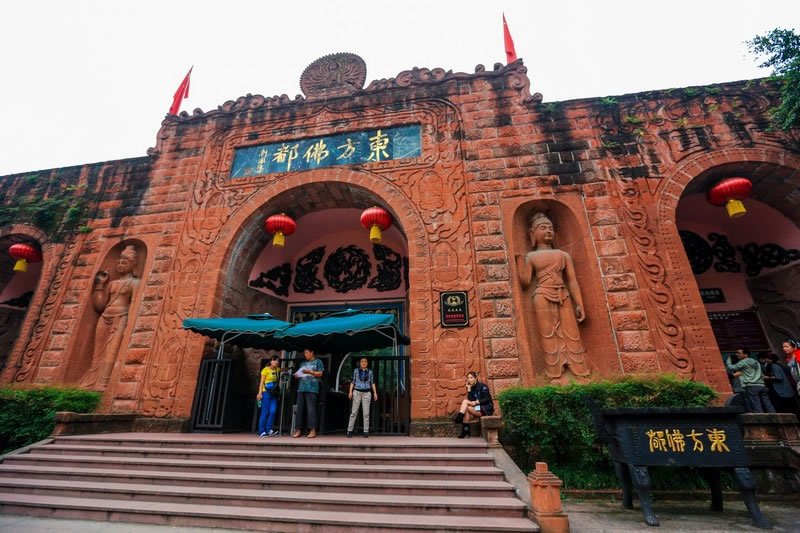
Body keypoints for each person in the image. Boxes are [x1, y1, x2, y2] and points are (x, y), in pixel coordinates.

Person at [80, 245, 141, 390]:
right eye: (118, 262)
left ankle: (103, 383)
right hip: (105, 317)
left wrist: (131, 325)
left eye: (124, 262)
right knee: (97, 353)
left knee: (112, 352)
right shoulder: (112, 283)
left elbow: (134, 304)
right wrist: (100, 285)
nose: (120, 265)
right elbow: (100, 306)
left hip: (121, 318)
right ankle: (92, 381)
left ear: (134, 265)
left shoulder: (135, 283)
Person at [726, 348, 775, 414]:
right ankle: (774, 417)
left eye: (739, 353)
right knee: (767, 404)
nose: (737, 354)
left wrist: (728, 361)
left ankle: (761, 418)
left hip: (752, 386)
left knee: (756, 405)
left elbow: (732, 367)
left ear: (745, 354)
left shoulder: (743, 362)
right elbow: (761, 374)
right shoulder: (756, 362)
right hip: (761, 385)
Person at [452, 372, 494, 439]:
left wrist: (477, 402)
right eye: (468, 378)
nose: (469, 379)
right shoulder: (472, 388)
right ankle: (465, 430)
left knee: (465, 402)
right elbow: (471, 400)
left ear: (476, 378)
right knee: (466, 408)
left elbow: (487, 399)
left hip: (486, 408)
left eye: (471, 378)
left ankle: (460, 421)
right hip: (478, 408)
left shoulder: (482, 386)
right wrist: (469, 389)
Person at [293, 349, 324, 438]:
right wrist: (297, 375)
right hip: (301, 388)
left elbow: (320, 374)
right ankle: (298, 430)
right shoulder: (303, 363)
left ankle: (312, 430)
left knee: (311, 409)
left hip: (312, 388)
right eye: (304, 353)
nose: (305, 354)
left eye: (306, 352)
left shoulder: (318, 361)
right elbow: (300, 373)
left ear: (312, 352)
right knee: (299, 409)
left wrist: (310, 372)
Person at [256, 355, 288, 437]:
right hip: (266, 392)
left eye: (277, 361)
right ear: (270, 361)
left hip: (273, 393)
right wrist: (260, 393)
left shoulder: (277, 369)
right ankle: (261, 431)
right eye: (274, 360)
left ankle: (268, 429)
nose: (276, 362)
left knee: (273, 411)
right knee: (265, 412)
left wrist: (291, 367)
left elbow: (283, 369)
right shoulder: (265, 370)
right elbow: (261, 382)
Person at [347, 357, 378, 438]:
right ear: (360, 363)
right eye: (362, 361)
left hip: (367, 393)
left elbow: (372, 382)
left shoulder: (370, 372)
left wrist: (375, 393)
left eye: (365, 361)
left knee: (366, 413)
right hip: (357, 392)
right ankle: (349, 430)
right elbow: (352, 381)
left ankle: (366, 431)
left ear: (367, 363)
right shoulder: (356, 371)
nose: (363, 363)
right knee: (354, 412)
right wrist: (350, 392)